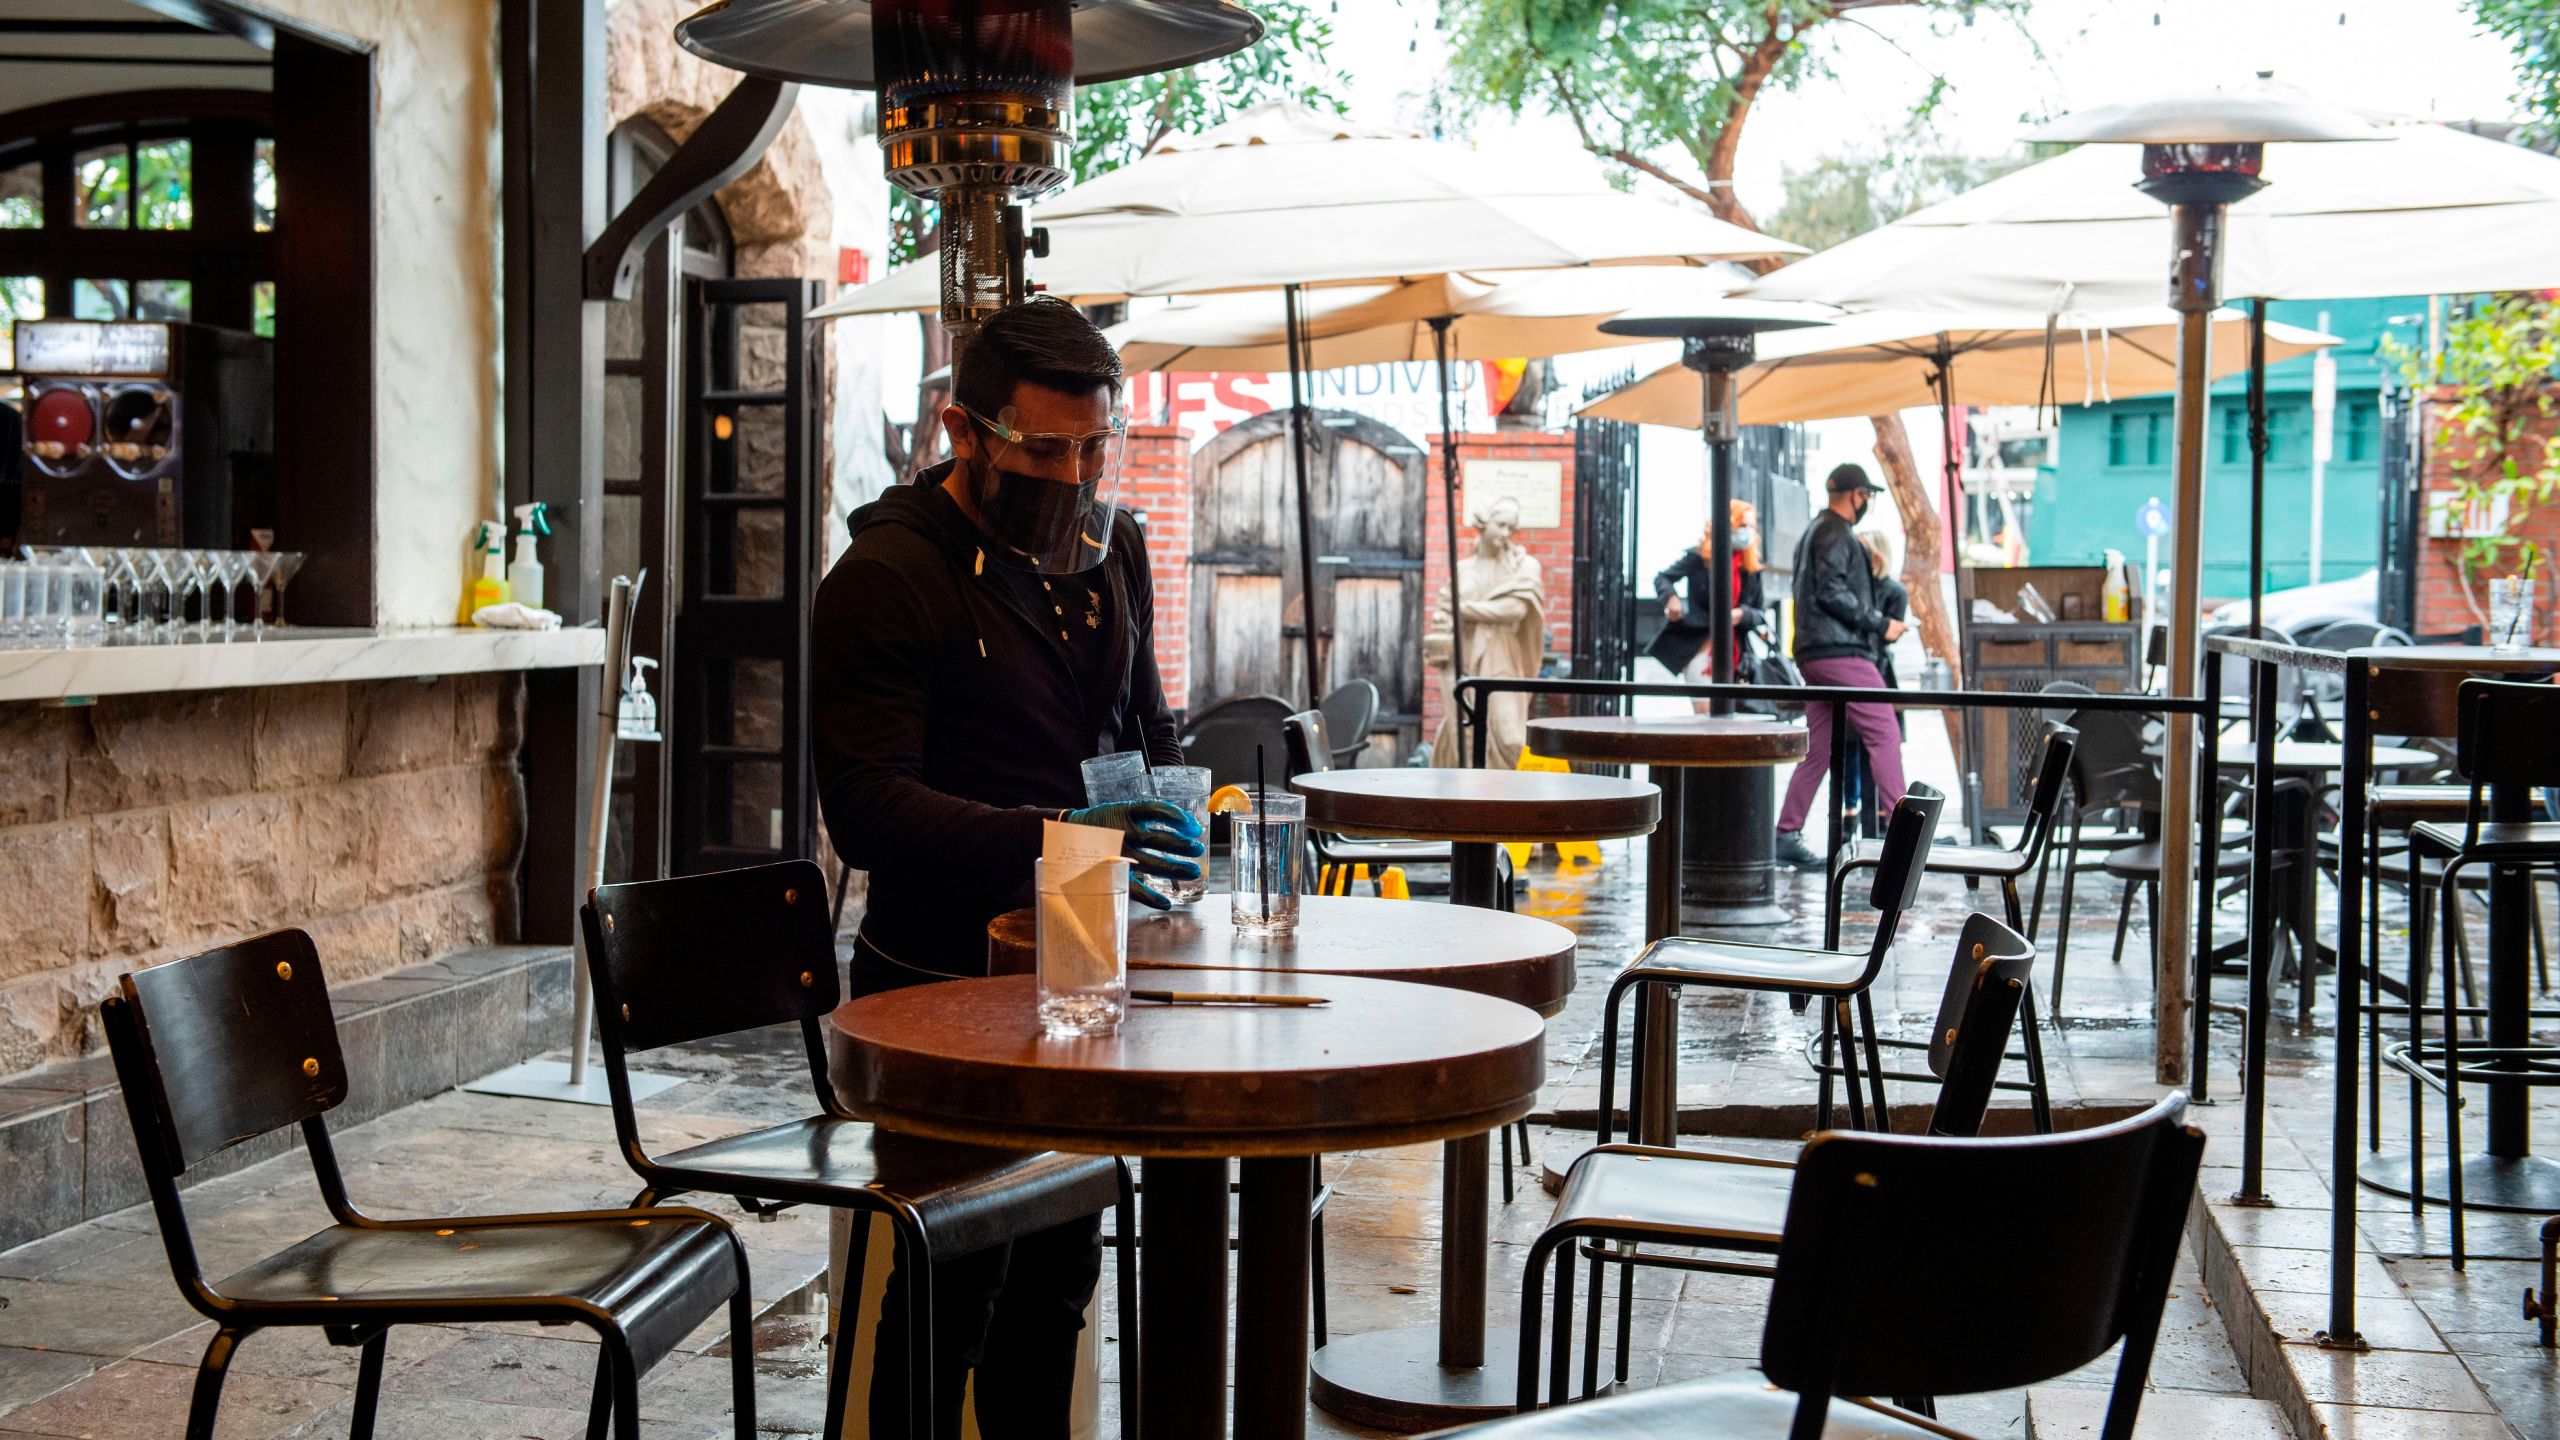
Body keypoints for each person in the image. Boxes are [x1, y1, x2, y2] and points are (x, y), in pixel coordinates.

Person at [810, 297, 1205, 1439]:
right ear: (963, 430)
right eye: (1043, 449)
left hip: (1080, 961)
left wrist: (1174, 822)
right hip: (935, 983)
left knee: (1057, 1286)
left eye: (1094, 447)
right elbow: (869, 810)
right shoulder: (886, 577)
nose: (1073, 474)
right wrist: (1071, 837)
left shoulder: (1112, 544)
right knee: (949, 1288)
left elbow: (1145, 727)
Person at [1774, 464, 1909, 870]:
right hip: (1838, 652)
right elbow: (1833, 590)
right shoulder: (1835, 533)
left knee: (1817, 747)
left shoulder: (1816, 531)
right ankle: (1904, 833)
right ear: (1857, 495)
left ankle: (1785, 832)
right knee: (1885, 727)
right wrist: (1880, 623)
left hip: (1816, 653)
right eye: (1867, 496)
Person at [1426, 494, 1547, 772]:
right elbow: (1444, 610)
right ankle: (1471, 800)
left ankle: (1508, 802)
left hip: (1503, 655)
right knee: (1465, 734)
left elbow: (1513, 610)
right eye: (1501, 525)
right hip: (1464, 655)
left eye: (1511, 529)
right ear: (1484, 522)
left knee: (1510, 736)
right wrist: (1446, 619)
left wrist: (1463, 609)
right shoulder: (1463, 570)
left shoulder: (1522, 566)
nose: (1505, 534)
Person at [1646, 499, 1766, 711]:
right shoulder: (1700, 557)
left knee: (1732, 721)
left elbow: (1759, 613)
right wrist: (1671, 599)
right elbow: (1663, 578)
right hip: (1701, 646)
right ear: (1729, 525)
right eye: (1742, 526)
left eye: (1751, 527)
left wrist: (1741, 614)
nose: (1748, 532)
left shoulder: (1751, 568)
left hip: (1736, 654)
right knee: (1704, 717)